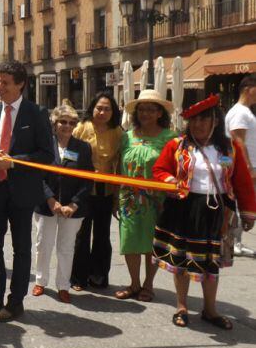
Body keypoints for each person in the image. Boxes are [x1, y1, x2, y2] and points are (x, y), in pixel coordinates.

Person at [153, 95, 256, 329]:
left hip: (217, 213)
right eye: (194, 120)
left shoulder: (230, 148)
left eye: (204, 119)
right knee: (181, 261)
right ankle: (181, 306)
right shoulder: (177, 145)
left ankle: (210, 310)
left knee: (211, 263)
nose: (198, 124)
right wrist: (171, 180)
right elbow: (159, 169)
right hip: (184, 209)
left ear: (215, 121)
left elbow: (242, 181)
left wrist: (248, 212)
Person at [0, 61, 54, 323]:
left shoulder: (36, 113)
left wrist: (13, 162)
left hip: (22, 192)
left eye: (5, 82)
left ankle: (15, 301)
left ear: (21, 84)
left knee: (21, 248)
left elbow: (46, 155)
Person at [115, 89, 176, 302]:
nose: (146, 113)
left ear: (160, 113)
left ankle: (148, 285)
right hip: (128, 199)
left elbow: (176, 168)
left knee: (152, 243)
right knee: (130, 240)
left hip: (158, 200)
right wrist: (116, 196)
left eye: (151, 109)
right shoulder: (127, 137)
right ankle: (133, 284)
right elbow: (118, 166)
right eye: (142, 109)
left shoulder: (171, 138)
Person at [32, 103, 93, 303]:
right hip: (46, 205)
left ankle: (63, 285)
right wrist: (50, 199)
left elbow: (87, 179)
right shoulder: (44, 146)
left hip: (72, 209)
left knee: (66, 247)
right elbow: (36, 176)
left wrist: (73, 204)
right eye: (63, 122)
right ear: (55, 123)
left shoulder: (82, 148)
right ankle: (40, 281)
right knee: (43, 244)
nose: (67, 126)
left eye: (71, 122)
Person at [71, 92, 123, 290]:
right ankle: (78, 277)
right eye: (99, 108)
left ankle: (99, 275)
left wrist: (118, 195)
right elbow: (70, 157)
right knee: (82, 235)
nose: (102, 112)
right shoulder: (81, 129)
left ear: (113, 112)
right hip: (84, 187)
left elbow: (120, 162)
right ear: (92, 108)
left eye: (107, 109)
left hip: (106, 189)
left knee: (102, 235)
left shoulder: (118, 132)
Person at [225, 75, 256, 257]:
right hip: (244, 165)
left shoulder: (245, 112)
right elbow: (238, 141)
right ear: (248, 89)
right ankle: (235, 241)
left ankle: (236, 241)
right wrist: (248, 167)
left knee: (243, 202)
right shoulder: (240, 112)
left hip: (245, 164)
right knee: (242, 203)